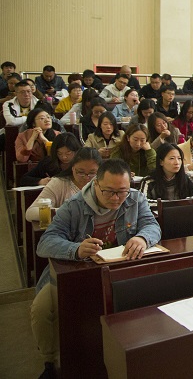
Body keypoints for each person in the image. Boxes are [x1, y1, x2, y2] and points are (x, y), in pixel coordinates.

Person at [32, 158, 160, 378]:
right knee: (42, 310)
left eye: (122, 191)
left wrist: (142, 238)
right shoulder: (74, 205)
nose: (116, 198)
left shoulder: (135, 198)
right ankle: (50, 361)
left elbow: (152, 225)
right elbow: (45, 242)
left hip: (118, 271)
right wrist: (75, 249)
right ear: (96, 184)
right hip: (78, 272)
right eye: (109, 191)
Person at [26, 147, 102, 222]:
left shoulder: (103, 185)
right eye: (80, 172)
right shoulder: (59, 183)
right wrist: (65, 212)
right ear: (73, 168)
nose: (86, 177)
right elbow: (30, 213)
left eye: (92, 173)